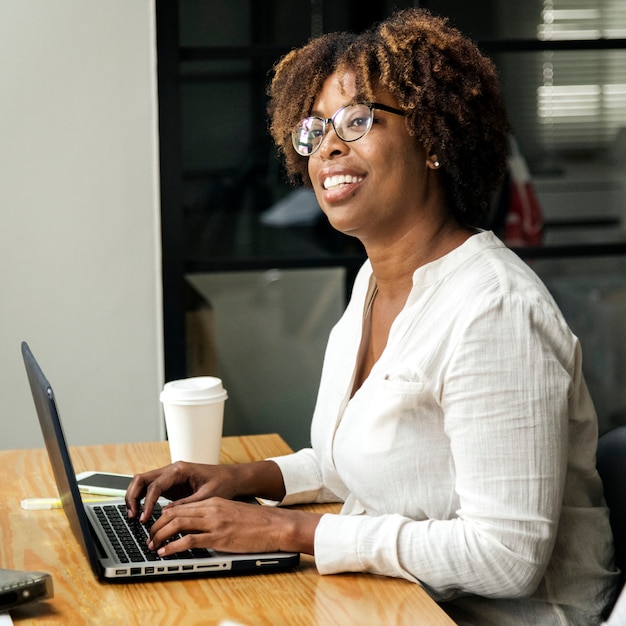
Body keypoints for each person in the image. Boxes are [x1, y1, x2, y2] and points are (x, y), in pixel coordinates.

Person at [126, 8, 620, 624]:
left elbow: (507, 555)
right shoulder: (374, 282)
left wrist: (289, 533)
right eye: (314, 130)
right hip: (402, 605)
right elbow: (364, 464)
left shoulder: (495, 311)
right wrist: (240, 479)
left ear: (435, 140)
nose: (328, 146)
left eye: (357, 121)